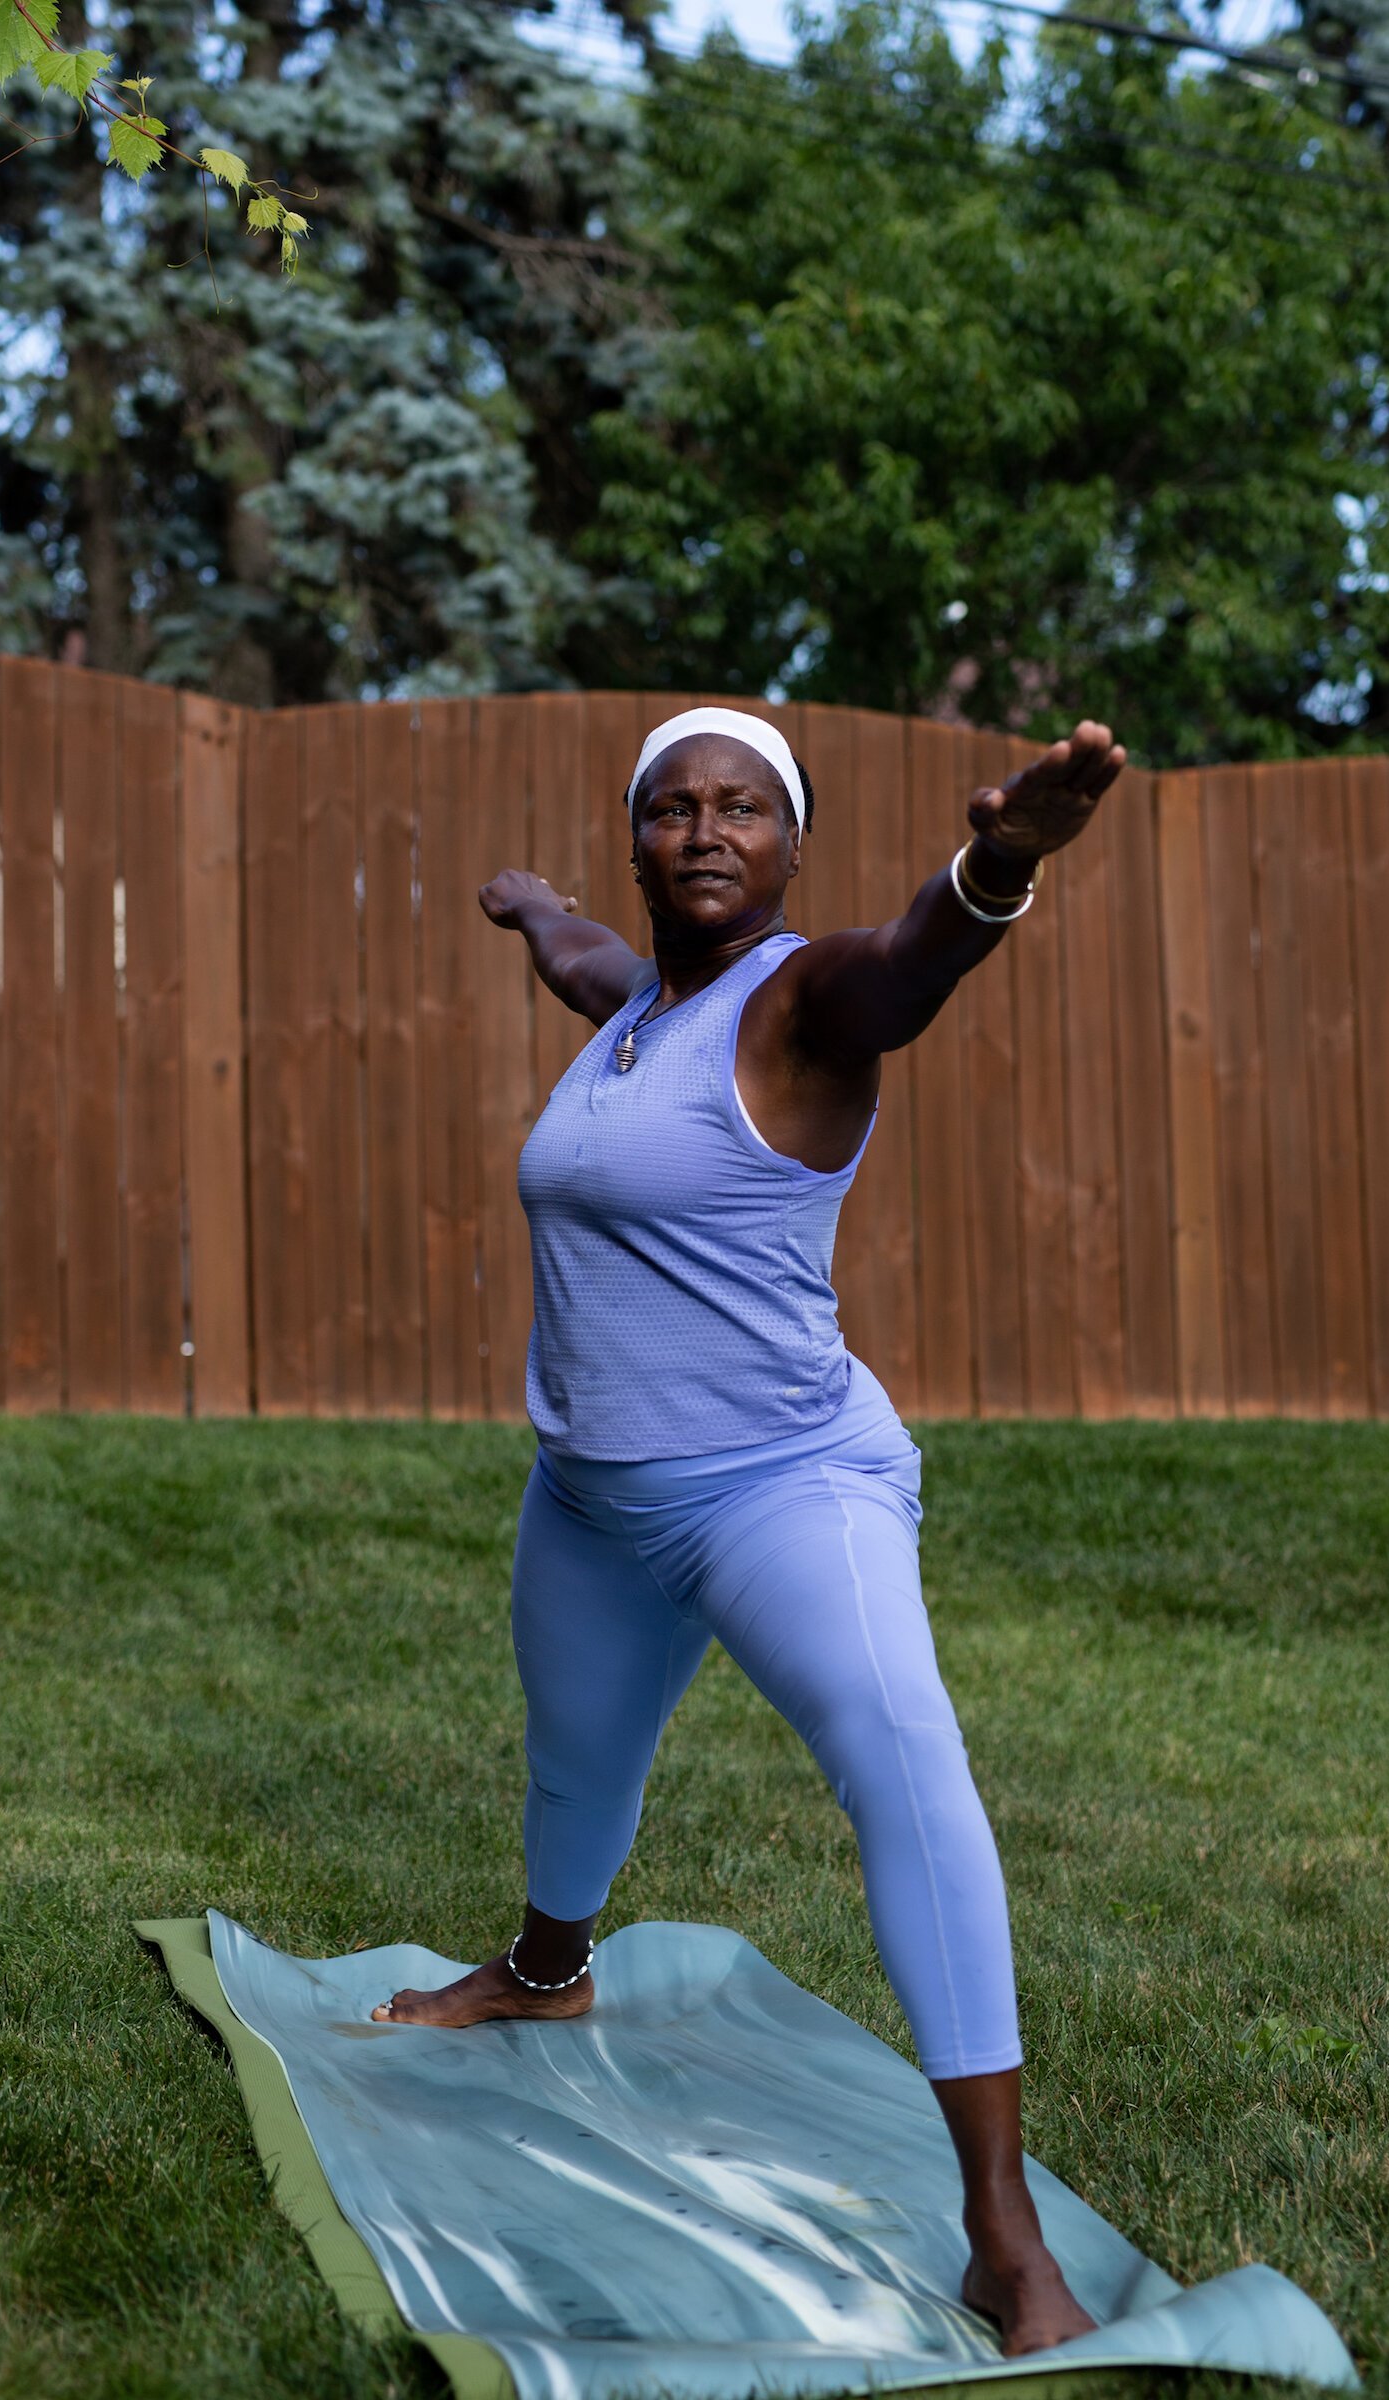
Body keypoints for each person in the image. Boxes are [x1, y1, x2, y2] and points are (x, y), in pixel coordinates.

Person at [371, 704, 1127, 2358]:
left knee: (900, 1756)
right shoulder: (631, 1012)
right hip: (587, 1495)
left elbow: (913, 963)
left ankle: (1000, 2236)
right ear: (634, 839)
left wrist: (997, 863)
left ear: (791, 848)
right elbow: (581, 953)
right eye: (669, 809)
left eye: (741, 809)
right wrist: (522, 903)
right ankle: (546, 1968)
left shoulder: (803, 1005)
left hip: (784, 1485)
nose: (704, 831)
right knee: (577, 1774)